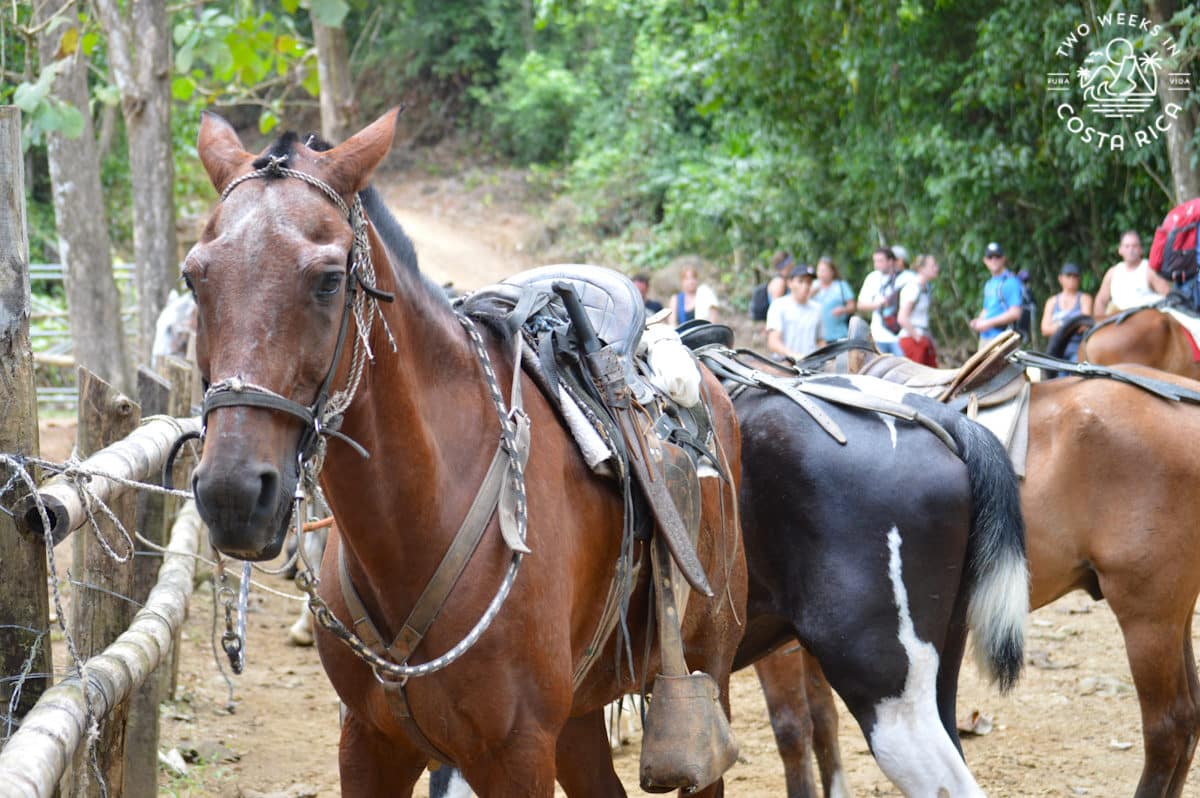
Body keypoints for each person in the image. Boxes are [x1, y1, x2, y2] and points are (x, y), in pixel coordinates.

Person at [1093, 230, 1170, 316]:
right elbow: (1101, 300)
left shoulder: (1149, 270)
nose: (1131, 250)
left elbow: (1168, 295)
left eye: (1135, 246)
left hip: (1146, 320)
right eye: (1127, 246)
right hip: (1119, 321)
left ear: (1141, 250)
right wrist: (1099, 323)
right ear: (1120, 250)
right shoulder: (1112, 273)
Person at [969, 241, 1026, 348]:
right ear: (985, 260)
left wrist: (988, 323)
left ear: (1003, 258)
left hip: (1001, 338)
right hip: (985, 338)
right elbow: (986, 309)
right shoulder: (989, 283)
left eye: (997, 256)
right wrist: (979, 321)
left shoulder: (1011, 282)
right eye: (990, 257)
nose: (994, 260)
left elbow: (1015, 313)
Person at [765, 264, 823, 360]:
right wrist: (793, 355)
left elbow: (820, 340)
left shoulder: (817, 309)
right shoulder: (778, 306)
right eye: (800, 281)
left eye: (809, 282)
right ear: (790, 283)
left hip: (812, 366)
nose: (805, 286)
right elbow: (773, 341)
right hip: (783, 365)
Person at [1040, 262, 1094, 361]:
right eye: (1068, 276)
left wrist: (1059, 325)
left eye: (1075, 276)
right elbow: (1045, 329)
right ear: (1060, 278)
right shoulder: (1052, 301)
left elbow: (1084, 325)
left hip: (1077, 347)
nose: (1072, 279)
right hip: (1056, 349)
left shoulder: (1084, 299)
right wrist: (1072, 324)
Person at [856, 247, 903, 355]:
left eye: (880, 261)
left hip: (900, 336)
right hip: (879, 334)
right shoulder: (872, 278)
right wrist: (878, 304)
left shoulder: (904, 278)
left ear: (890, 261)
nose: (876, 265)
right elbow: (860, 305)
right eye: (875, 261)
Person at [897, 253, 940, 366]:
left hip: (922, 337)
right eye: (933, 266)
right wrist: (918, 337)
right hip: (912, 339)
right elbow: (902, 318)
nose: (936, 268)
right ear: (921, 268)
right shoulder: (912, 288)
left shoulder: (925, 287)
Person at [811, 255, 855, 342]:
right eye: (819, 270)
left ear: (832, 272)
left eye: (824, 271)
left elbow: (852, 306)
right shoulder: (812, 285)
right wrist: (811, 294)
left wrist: (843, 310)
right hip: (817, 338)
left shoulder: (841, 285)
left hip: (839, 335)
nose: (821, 273)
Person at [750, 251, 794, 322]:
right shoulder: (779, 282)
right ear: (787, 264)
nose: (793, 264)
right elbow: (776, 308)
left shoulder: (785, 280)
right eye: (791, 261)